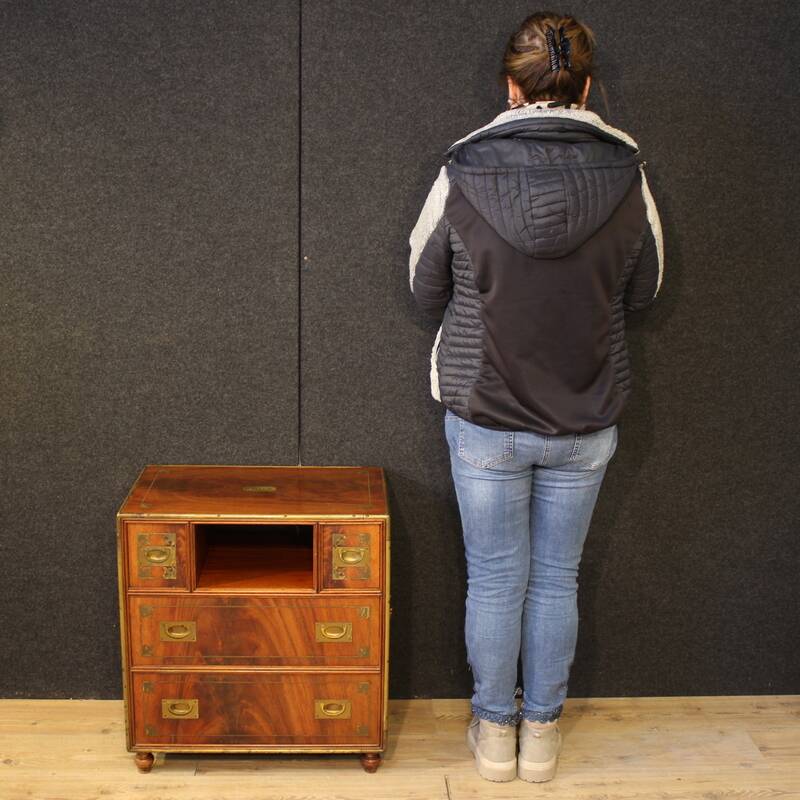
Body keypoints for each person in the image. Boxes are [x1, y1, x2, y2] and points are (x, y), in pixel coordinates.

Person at [407, 10, 663, 784]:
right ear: (585, 86)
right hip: (586, 417)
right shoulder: (629, 176)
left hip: (484, 414)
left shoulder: (461, 172)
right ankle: (542, 737)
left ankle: (494, 737)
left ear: (510, 87)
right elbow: (648, 289)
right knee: (557, 577)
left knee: (494, 577)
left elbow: (423, 286)